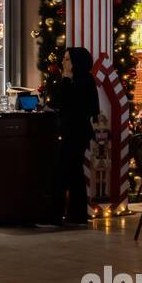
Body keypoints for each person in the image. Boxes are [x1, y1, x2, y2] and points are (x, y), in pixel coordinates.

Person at [51, 47, 100, 226]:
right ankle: (77, 216)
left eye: (68, 59)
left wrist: (65, 81)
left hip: (75, 132)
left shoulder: (82, 81)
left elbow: (68, 104)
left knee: (62, 172)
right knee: (74, 174)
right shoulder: (81, 80)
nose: (64, 62)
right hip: (74, 131)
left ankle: (55, 216)